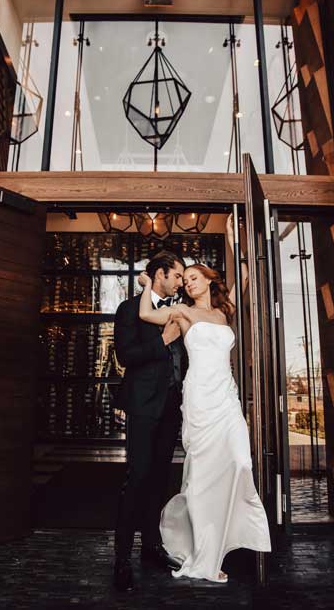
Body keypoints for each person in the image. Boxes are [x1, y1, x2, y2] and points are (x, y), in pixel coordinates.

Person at [137, 214, 271, 583]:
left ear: (210, 279)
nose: (187, 282)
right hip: (199, 399)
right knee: (201, 476)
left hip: (226, 398)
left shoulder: (223, 312)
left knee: (241, 462)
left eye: (193, 276)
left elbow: (247, 273)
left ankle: (233, 535)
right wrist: (148, 282)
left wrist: (232, 238)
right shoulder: (182, 312)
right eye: (184, 278)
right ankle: (205, 551)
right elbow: (147, 313)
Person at [113, 250, 188, 591]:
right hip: (143, 406)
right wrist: (162, 342)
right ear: (159, 274)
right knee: (138, 478)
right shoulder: (130, 309)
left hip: (172, 407)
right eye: (176, 275)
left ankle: (152, 547)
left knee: (159, 478)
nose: (180, 281)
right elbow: (127, 356)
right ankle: (122, 559)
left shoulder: (177, 309)